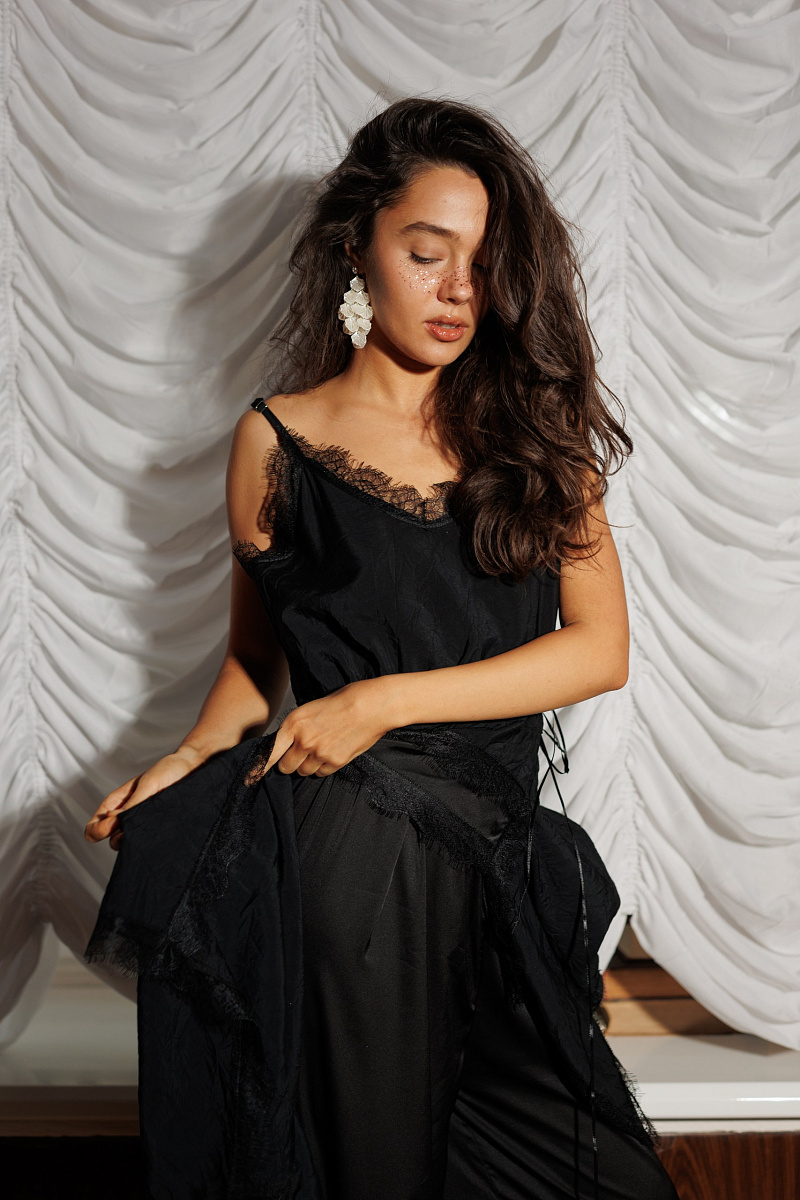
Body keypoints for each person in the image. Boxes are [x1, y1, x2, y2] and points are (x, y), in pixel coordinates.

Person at [84, 97, 680, 1200]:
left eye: (484, 262)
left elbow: (599, 652)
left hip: (493, 859)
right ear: (357, 247)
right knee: (376, 1173)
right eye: (425, 252)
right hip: (352, 861)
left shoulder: (540, 440)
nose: (458, 289)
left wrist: (382, 700)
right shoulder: (276, 440)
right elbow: (256, 658)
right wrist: (189, 757)